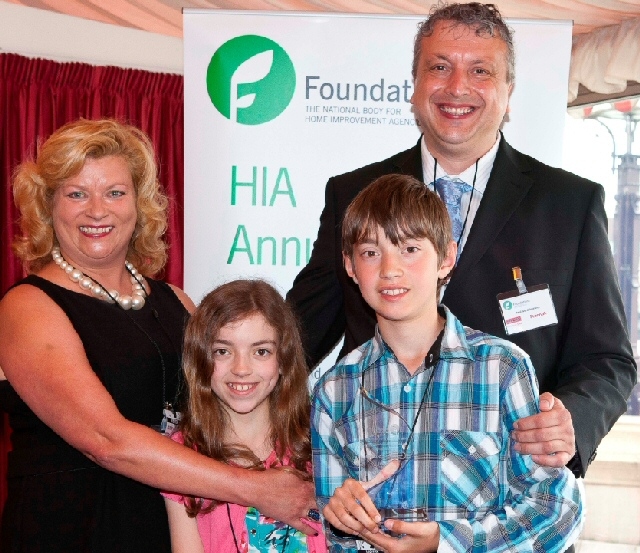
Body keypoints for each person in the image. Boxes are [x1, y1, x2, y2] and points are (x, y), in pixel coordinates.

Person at [288, 1, 636, 487]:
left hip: (515, 497)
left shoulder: (569, 204)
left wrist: (570, 422)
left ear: (508, 93)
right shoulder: (353, 196)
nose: (457, 87)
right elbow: (295, 337)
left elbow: (609, 360)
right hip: (378, 498)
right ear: (413, 86)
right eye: (439, 67)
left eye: (480, 71)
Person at [0, 119, 316, 553]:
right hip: (74, 531)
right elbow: (105, 440)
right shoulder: (26, 307)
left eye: (115, 192)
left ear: (139, 203)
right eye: (76, 194)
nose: (97, 210)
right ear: (48, 206)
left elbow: (229, 411)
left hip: (172, 529)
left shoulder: (177, 302)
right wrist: (257, 489)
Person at [312, 173, 584, 553]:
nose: (390, 268)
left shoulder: (500, 369)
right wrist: (341, 523)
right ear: (351, 267)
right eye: (371, 252)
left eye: (409, 249)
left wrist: (449, 543)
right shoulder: (333, 392)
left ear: (446, 258)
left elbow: (556, 507)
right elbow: (331, 530)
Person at [162, 279, 327, 553]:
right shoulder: (182, 456)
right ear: (201, 358)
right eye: (223, 351)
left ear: (283, 359)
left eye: (260, 351)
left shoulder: (321, 442)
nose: (241, 368)